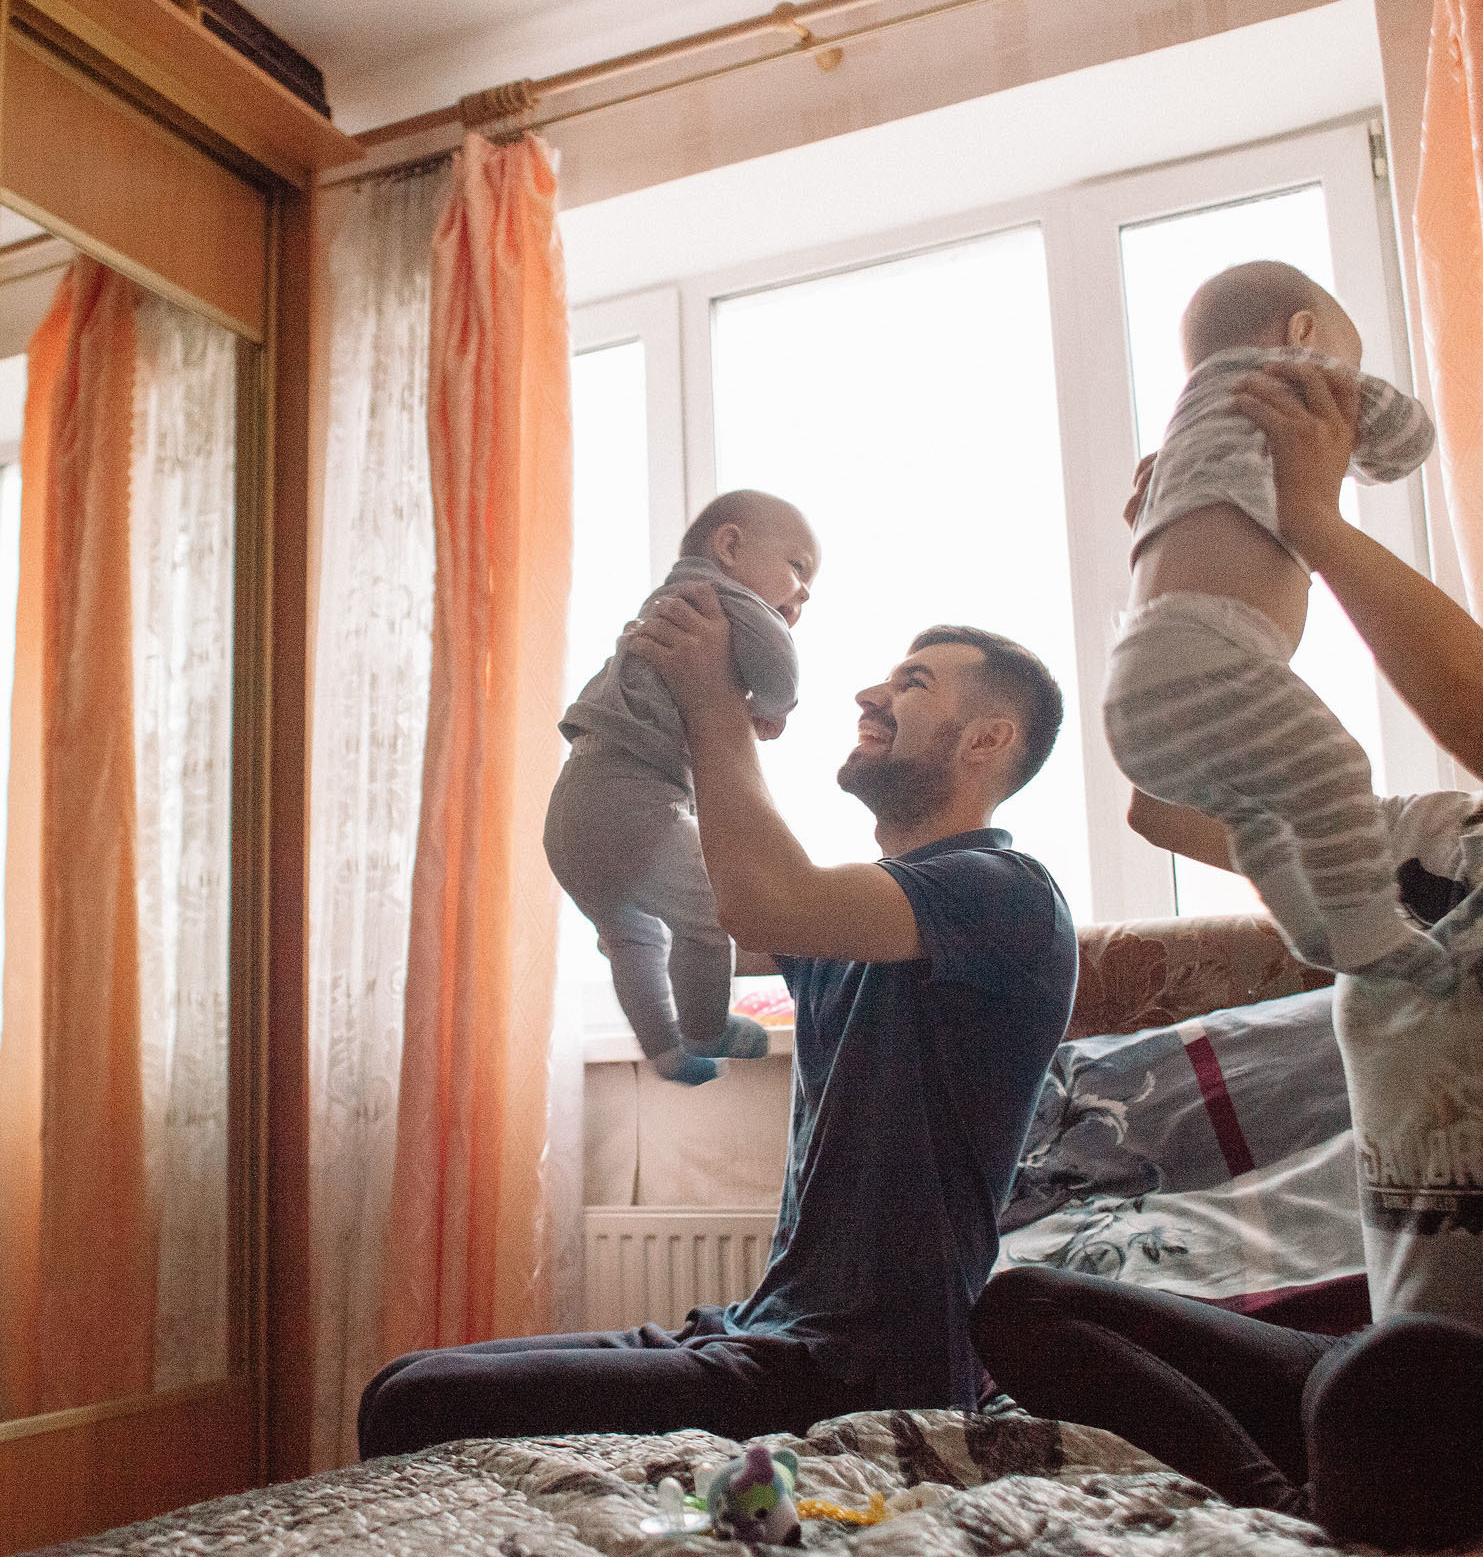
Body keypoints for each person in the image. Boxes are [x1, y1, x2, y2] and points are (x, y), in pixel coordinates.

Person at [976, 358, 1483, 1551]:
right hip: (1424, 1401)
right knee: (1032, 1308)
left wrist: (1314, 518)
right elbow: (1163, 805)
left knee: (1389, 1379)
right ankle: (1299, 1514)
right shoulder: (1445, 841)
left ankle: (1333, 1493)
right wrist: (1178, 563)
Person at [359, 606, 1077, 1459]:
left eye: (912, 684)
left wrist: (714, 705)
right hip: (766, 1330)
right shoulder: (863, 918)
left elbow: (763, 897)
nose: (869, 694)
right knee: (399, 1384)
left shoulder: (1008, 894)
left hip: (870, 1372)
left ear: (987, 741)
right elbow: (690, 903)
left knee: (422, 1406)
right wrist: (639, 732)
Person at [1105, 261, 1451, 988]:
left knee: (1259, 812)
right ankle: (1370, 932)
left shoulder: (1178, 444)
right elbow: (1407, 439)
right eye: (1343, 356)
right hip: (1212, 651)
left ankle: (1312, 926)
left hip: (1136, 690)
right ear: (1302, 335)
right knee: (1334, 768)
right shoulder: (1278, 377)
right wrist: (1355, 419)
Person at [548, 490, 818, 1085]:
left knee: (630, 936)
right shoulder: (721, 597)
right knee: (706, 917)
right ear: (729, 545)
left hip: (571, 810)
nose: (801, 593)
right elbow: (779, 663)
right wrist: (777, 706)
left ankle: (664, 1049)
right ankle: (704, 1030)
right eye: (798, 567)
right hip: (632, 800)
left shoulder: (664, 605)